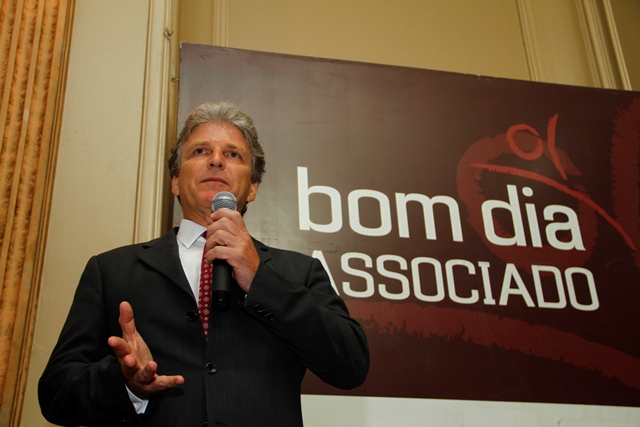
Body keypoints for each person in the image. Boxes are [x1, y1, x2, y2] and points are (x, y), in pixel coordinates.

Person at [38, 101, 370, 427]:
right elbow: (55, 394)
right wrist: (125, 383)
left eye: (233, 154)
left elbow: (351, 366)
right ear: (175, 181)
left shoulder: (300, 272)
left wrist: (260, 279)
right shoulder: (110, 270)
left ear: (253, 188)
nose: (216, 160)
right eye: (200, 151)